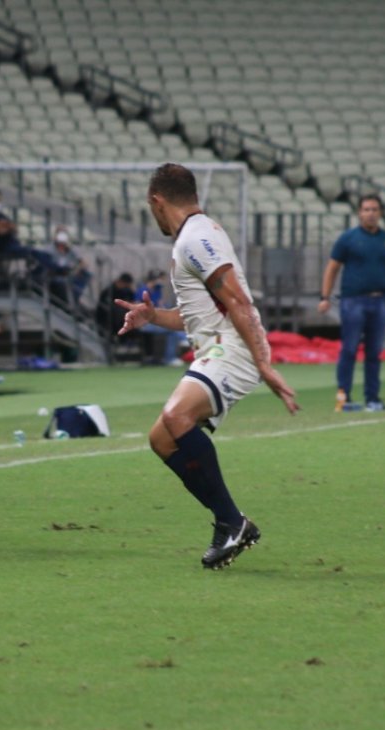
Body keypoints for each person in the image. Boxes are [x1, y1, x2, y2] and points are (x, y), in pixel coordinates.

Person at [114, 163, 299, 569]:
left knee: (176, 415)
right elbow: (197, 313)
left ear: (157, 201)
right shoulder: (196, 235)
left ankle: (232, 522)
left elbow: (238, 301)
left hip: (232, 348)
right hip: (216, 346)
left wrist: (264, 364)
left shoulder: (195, 239)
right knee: (161, 439)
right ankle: (230, 522)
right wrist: (153, 316)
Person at [318, 194, 385, 411]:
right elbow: (332, 268)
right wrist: (325, 297)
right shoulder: (348, 239)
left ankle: (372, 398)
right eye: (367, 209)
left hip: (379, 300)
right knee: (349, 349)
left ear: (380, 213)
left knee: (374, 352)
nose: (371, 214)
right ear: (360, 213)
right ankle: (344, 396)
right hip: (353, 301)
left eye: (374, 209)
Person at [0, 188, 55, 278]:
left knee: (46, 255)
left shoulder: (1, 215)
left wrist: (4, 225)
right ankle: (54, 270)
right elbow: (0, 231)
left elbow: (15, 229)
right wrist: (7, 226)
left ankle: (38, 275)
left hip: (14, 244)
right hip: (5, 247)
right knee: (33, 252)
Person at [136, 269, 187, 366]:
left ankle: (183, 340)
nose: (162, 281)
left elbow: (161, 305)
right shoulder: (143, 290)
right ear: (155, 279)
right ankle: (170, 357)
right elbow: (139, 308)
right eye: (161, 279)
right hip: (145, 323)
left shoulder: (157, 289)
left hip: (156, 319)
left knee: (176, 322)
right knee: (172, 331)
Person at [97, 272, 136, 340]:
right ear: (121, 282)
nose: (126, 287)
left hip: (117, 316)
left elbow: (131, 299)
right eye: (126, 285)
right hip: (106, 317)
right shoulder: (109, 291)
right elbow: (105, 306)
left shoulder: (124, 290)